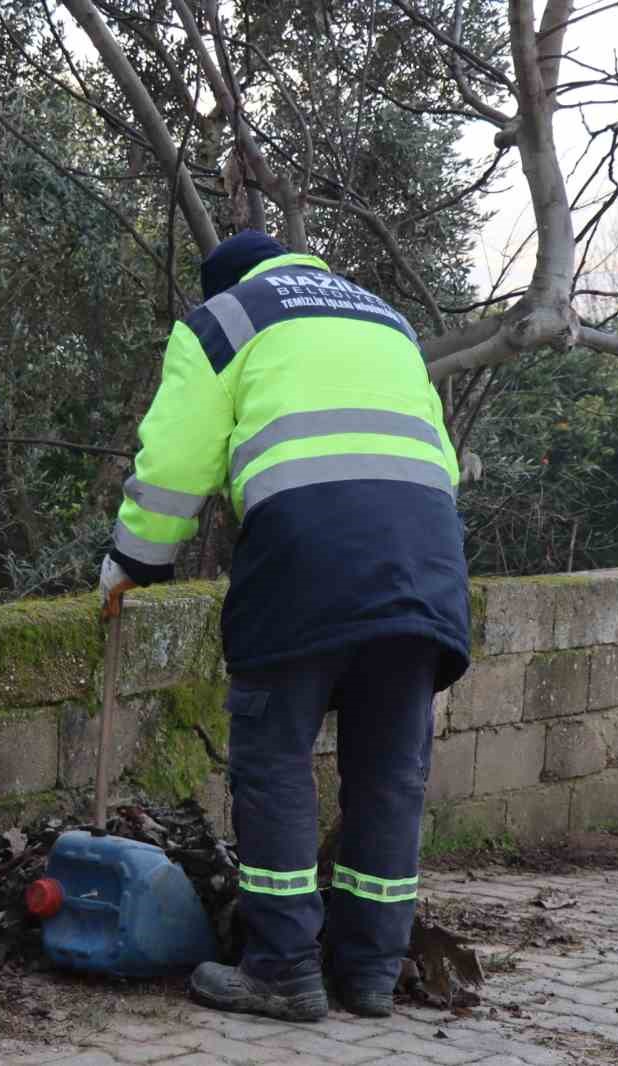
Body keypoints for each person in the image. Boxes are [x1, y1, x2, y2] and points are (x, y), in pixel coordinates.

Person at [99, 230, 469, 1022]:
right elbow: (437, 453)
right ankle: (370, 969)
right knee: (389, 770)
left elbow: (174, 463)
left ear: (220, 284)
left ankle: (282, 968)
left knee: (273, 759)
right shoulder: (386, 319)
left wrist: (134, 558)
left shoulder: (223, 321)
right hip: (425, 561)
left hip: (307, 558)